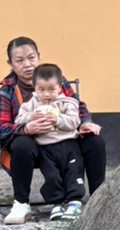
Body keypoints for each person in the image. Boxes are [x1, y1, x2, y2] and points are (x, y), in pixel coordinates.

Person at [0, 37, 107, 225]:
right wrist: (26, 129)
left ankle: (98, 200)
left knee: (95, 141)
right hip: (35, 148)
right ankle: (21, 203)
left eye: (31, 57)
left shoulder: (56, 80)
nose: (27, 64)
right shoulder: (7, 92)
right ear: (10, 63)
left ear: (38, 56)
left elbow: (77, 106)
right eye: (19, 60)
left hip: (65, 140)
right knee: (21, 144)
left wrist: (85, 122)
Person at [14, 62, 85, 221]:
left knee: (73, 172)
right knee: (51, 176)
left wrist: (58, 119)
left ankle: (74, 202)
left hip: (68, 145)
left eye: (52, 89)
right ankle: (56, 203)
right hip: (45, 147)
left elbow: (74, 122)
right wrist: (30, 117)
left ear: (60, 87)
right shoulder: (30, 105)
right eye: (41, 90)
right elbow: (18, 121)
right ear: (34, 87)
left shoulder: (67, 103)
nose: (47, 94)